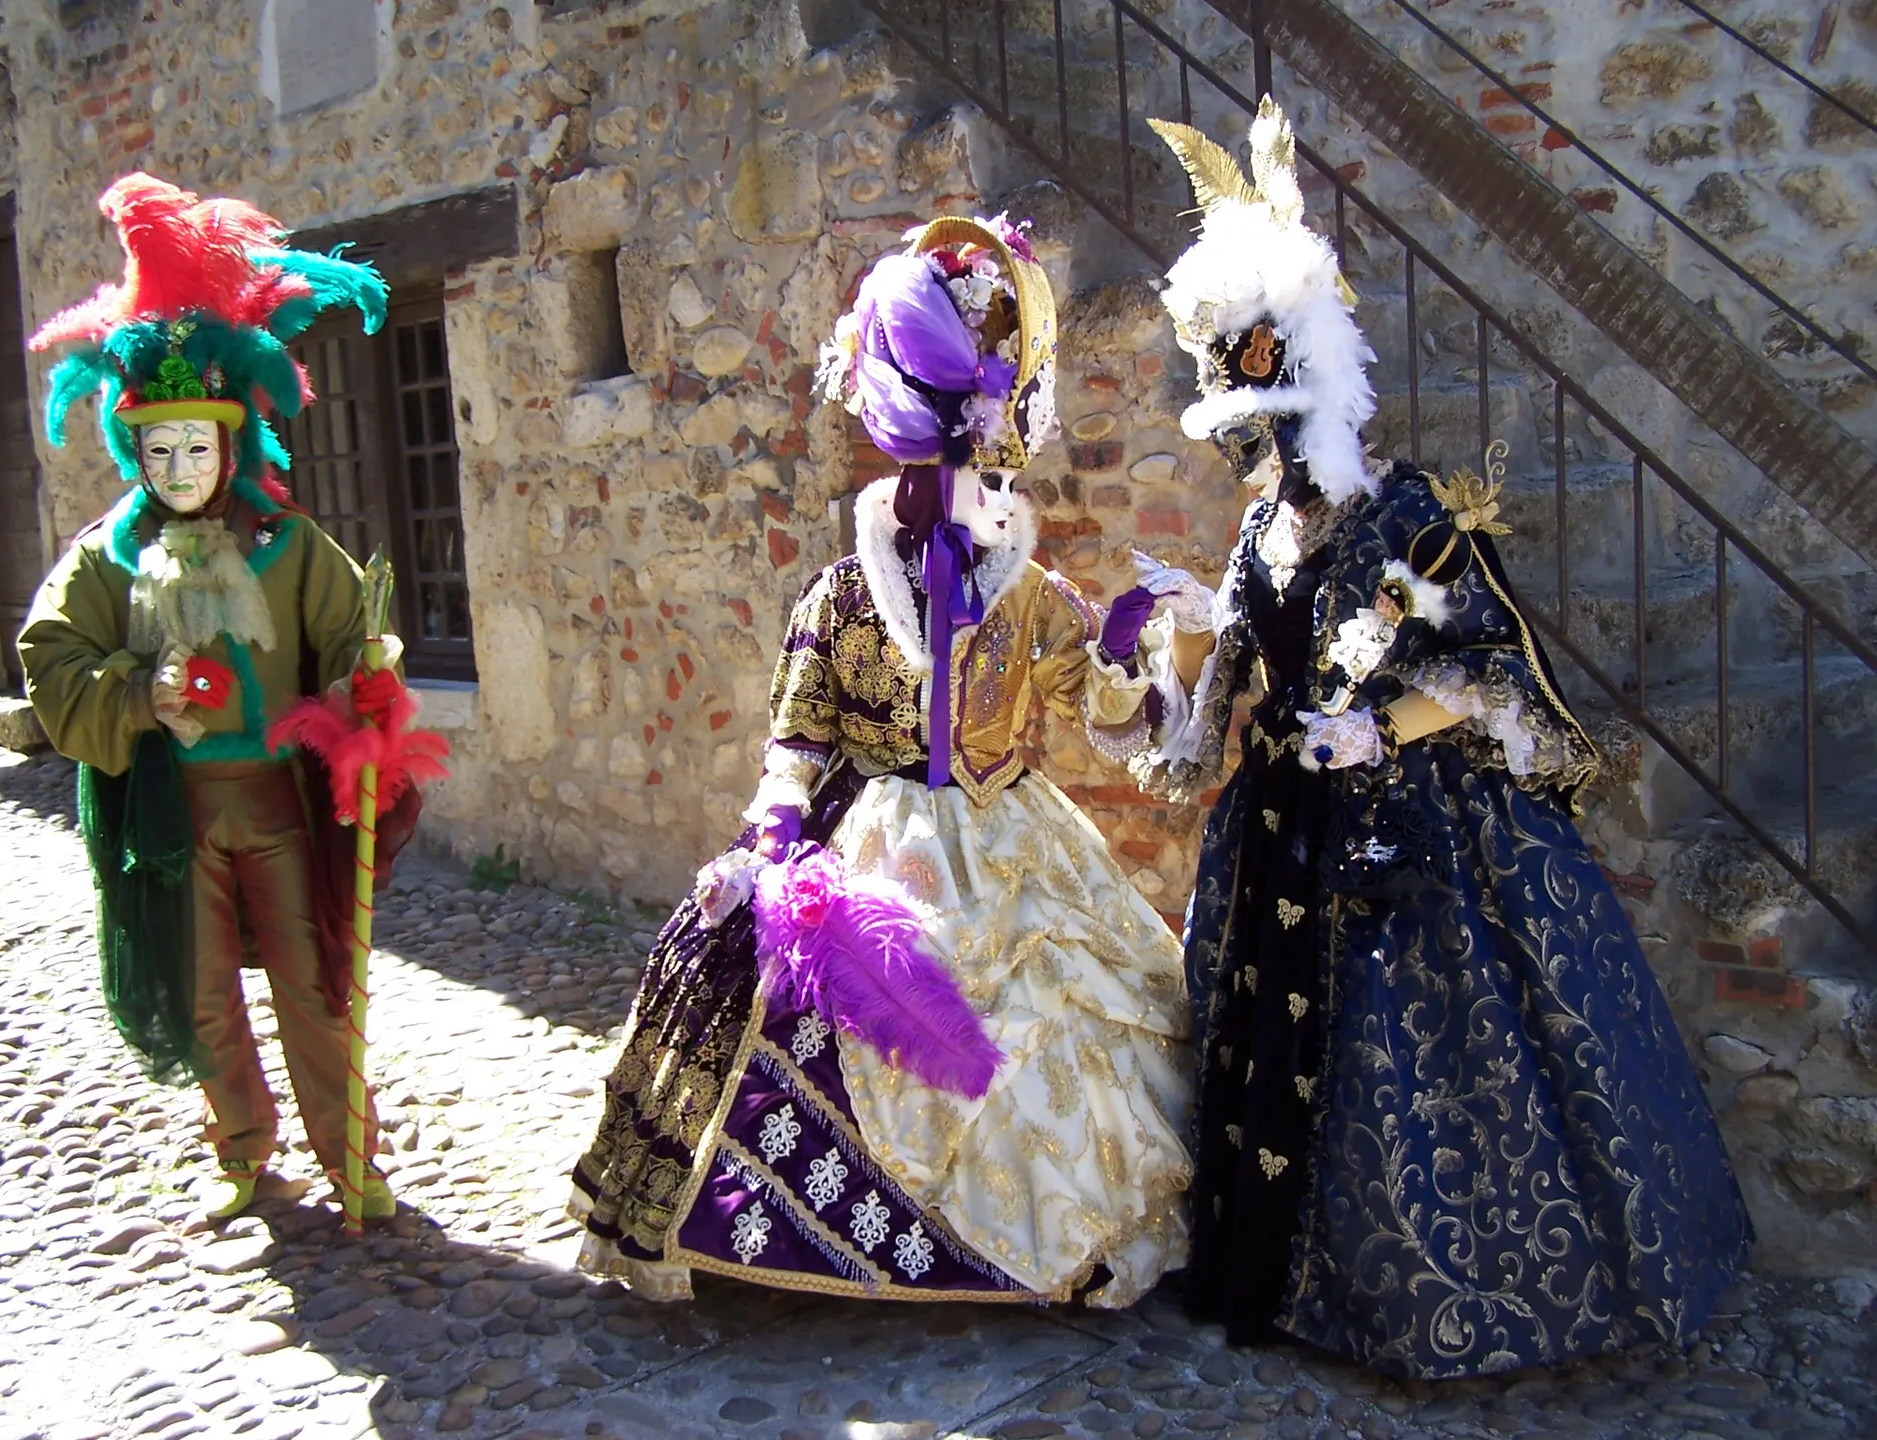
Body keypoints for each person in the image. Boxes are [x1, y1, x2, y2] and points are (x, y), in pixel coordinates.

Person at [1124, 104, 1753, 1378]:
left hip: (1400, 838)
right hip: (1280, 834)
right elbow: (1222, 711)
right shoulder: (1259, 541)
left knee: (1420, 1081)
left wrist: (1380, 724)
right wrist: (1177, 648)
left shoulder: (1405, 515)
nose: (1247, 450)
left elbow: (1488, 672)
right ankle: (1270, 1281)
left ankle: (1421, 1302)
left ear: (1306, 396)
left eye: (1258, 421)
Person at [567, 215, 1193, 1306]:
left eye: (990, 471)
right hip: (883, 838)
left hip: (1019, 846)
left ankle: (1069, 1229)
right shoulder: (842, 595)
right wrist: (776, 832)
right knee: (792, 990)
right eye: (961, 468)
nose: (983, 491)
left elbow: (1103, 710)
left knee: (1060, 1022)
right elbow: (797, 732)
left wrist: (1126, 638)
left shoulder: (1035, 597)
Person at [19, 174, 439, 1222]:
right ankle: (243, 1153)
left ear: (231, 442)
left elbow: (351, 635)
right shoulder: (106, 560)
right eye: (157, 450)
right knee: (206, 997)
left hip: (275, 806)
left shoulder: (292, 548)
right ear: (134, 449)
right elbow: (49, 651)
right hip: (173, 818)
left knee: (313, 988)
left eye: (195, 446)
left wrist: (367, 686)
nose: (177, 465)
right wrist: (134, 694)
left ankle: (354, 1161)